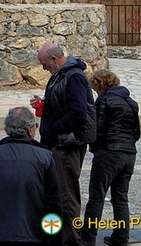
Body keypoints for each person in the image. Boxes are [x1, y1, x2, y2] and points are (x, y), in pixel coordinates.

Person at [0, 107, 61, 246]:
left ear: (7, 129)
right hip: (34, 235)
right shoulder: (45, 158)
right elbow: (53, 203)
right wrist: (55, 238)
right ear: (30, 129)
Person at [31, 43, 94, 246]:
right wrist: (44, 103)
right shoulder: (60, 75)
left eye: (44, 64)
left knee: (66, 195)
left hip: (66, 145)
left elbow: (78, 113)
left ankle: (71, 240)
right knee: (56, 193)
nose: (43, 69)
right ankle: (57, 236)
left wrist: (53, 128)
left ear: (54, 59)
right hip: (57, 143)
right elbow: (63, 102)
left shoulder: (73, 76)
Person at [80, 69, 140, 246]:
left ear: (100, 85)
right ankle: (121, 237)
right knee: (121, 198)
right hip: (129, 153)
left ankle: (88, 238)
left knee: (97, 197)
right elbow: (136, 131)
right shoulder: (131, 102)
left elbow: (96, 129)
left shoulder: (104, 101)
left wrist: (95, 147)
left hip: (108, 152)